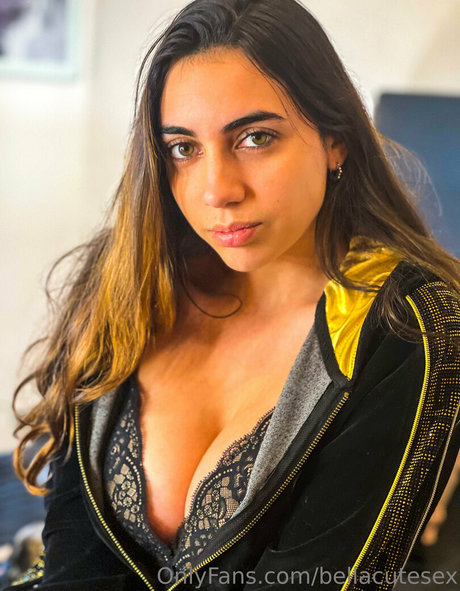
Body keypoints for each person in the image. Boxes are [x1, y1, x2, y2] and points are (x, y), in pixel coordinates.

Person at [6, 0, 460, 590]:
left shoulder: (412, 324)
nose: (217, 190)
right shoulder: (129, 279)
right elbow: (73, 553)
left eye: (256, 138)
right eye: (183, 148)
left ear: (336, 140)